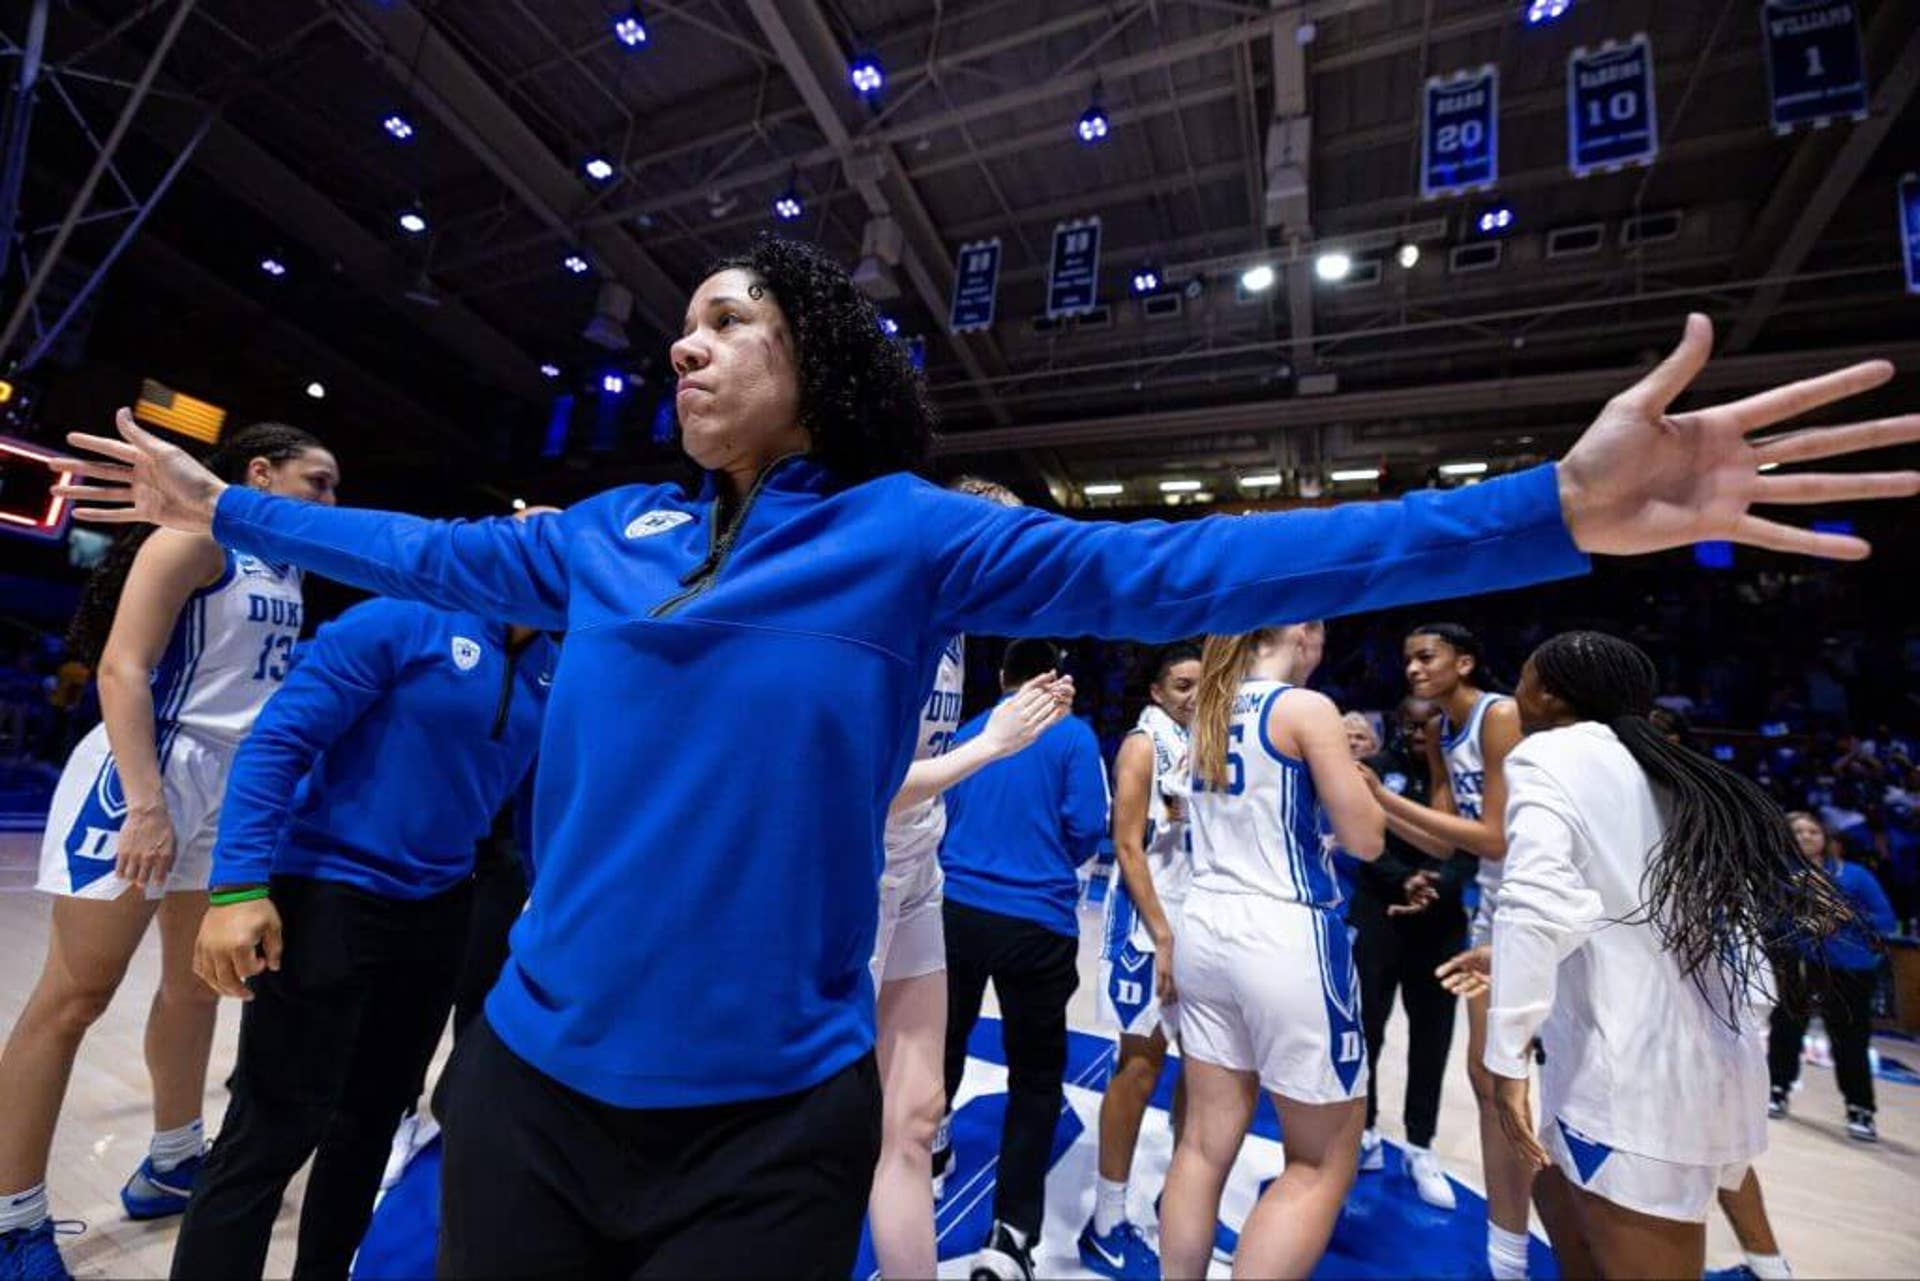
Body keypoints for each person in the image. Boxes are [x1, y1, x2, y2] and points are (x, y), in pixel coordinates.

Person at [53, 230, 1920, 1273]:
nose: (685, 349)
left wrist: (1546, 514)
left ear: (818, 358)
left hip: (766, 1131)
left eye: (729, 318)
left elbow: (1203, 562)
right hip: (533, 1096)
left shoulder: (911, 535)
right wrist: (234, 507)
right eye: (680, 326)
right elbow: (414, 547)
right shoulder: (597, 538)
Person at [0, 425, 337, 1281]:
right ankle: (10, 1217)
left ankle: (171, 1157)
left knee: (195, 986)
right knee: (74, 997)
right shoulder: (190, 535)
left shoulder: (286, 564)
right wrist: (147, 804)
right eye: (319, 483)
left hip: (228, 786)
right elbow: (120, 668)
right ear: (259, 473)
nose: (333, 503)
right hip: (144, 773)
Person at [168, 587, 556, 1280]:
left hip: (439, 911)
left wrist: (550, 905)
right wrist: (237, 886)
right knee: (274, 1126)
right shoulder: (401, 619)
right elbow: (279, 739)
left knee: (372, 1121)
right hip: (327, 892)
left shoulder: (552, 666)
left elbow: (531, 808)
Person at [1463, 630, 1855, 1280]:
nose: (1516, 692)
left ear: (1552, 694)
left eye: (1525, 677)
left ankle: (1768, 1259)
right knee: (1574, 1238)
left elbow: (1533, 904)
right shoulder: (1675, 774)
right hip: (1693, 1068)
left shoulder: (1548, 757)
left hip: (1628, 1087)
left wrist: (1505, 1060)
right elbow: (1675, 929)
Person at [1160, 621, 1386, 1279]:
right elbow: (1367, 839)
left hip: (1205, 923)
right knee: (1319, 1162)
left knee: (1201, 1146)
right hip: (1285, 930)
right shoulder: (1305, 708)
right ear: (1306, 633)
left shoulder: (1208, 703)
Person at [868, 597, 1072, 1280]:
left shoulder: (960, 654)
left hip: (934, 879)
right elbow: (869, 783)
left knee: (921, 1109)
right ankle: (1013, 1231)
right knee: (824, 1119)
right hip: (878, 877)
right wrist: (992, 746)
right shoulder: (888, 614)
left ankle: (926, 1192)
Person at [935, 639, 1109, 1281]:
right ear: (1051, 678)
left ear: (1003, 677)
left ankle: (929, 1157)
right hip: (1036, 919)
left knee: (940, 1044)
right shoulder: (1072, 736)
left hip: (955, 910)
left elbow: (940, 811)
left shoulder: (973, 730)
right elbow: (1087, 824)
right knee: (1035, 1078)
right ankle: (1009, 1238)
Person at [1363, 623, 1532, 1276]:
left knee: (1506, 1077)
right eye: (1405, 657)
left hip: (1531, 900)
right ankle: (1506, 1247)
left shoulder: (1500, 715)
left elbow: (1494, 837)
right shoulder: (1442, 729)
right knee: (1487, 1077)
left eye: (1426, 656)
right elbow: (1442, 843)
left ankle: (1516, 1239)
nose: (1412, 667)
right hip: (1489, 903)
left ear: (1465, 661)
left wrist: (1378, 797)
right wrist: (1384, 799)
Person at [1079, 642, 1202, 1279]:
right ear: (1156, 691)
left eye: (1201, 686)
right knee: (1139, 1070)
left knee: (1204, 1075)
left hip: (1198, 925)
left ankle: (1179, 1199)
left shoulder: (1205, 746)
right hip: (1146, 932)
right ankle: (1105, 1220)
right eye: (1182, 685)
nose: (1193, 695)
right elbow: (1127, 848)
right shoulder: (1141, 746)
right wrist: (1162, 931)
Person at [1350, 696, 1470, 1209]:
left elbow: (1475, 843)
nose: (1422, 734)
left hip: (1440, 922)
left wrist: (1438, 884)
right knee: (1366, 1028)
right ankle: (1365, 1129)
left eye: (1432, 726)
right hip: (1380, 913)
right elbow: (1362, 839)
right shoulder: (1374, 771)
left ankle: (1421, 1145)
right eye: (1413, 724)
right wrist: (1404, 880)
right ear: (1398, 724)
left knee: (1432, 1037)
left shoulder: (1465, 777)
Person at [1767, 810, 1896, 1141]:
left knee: (1850, 1039)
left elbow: (1885, 921)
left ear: (1825, 837)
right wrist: (1801, 924)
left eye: (1813, 830)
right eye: (1798, 832)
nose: (1807, 836)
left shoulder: (1855, 876)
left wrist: (1841, 917)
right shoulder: (1781, 877)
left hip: (1849, 969)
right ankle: (1777, 1088)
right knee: (1786, 1028)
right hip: (1800, 964)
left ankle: (1860, 1108)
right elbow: (1769, 922)